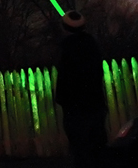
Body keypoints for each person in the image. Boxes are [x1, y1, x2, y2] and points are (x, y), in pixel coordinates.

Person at [56, 10, 107, 167]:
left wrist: (63, 99)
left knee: (80, 151)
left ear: (65, 27)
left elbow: (65, 77)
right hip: (95, 104)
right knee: (97, 148)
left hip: (75, 108)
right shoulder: (93, 45)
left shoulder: (67, 48)